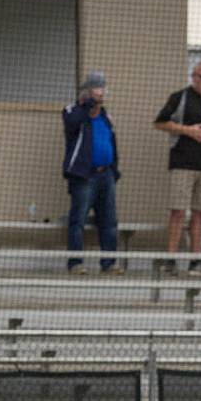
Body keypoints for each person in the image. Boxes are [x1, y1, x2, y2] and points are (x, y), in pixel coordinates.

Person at [154, 61, 201, 276]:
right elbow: (160, 123)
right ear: (193, 76)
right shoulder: (180, 97)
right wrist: (187, 130)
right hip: (182, 164)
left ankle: (196, 260)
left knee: (200, 214)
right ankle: (171, 260)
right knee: (177, 212)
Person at [62, 72, 119, 276]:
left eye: (102, 89)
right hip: (85, 176)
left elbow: (112, 143)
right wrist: (87, 105)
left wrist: (114, 169)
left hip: (106, 175)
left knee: (109, 220)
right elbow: (72, 123)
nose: (101, 93)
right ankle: (75, 262)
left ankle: (109, 262)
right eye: (97, 88)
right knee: (78, 219)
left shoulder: (105, 117)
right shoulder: (73, 112)